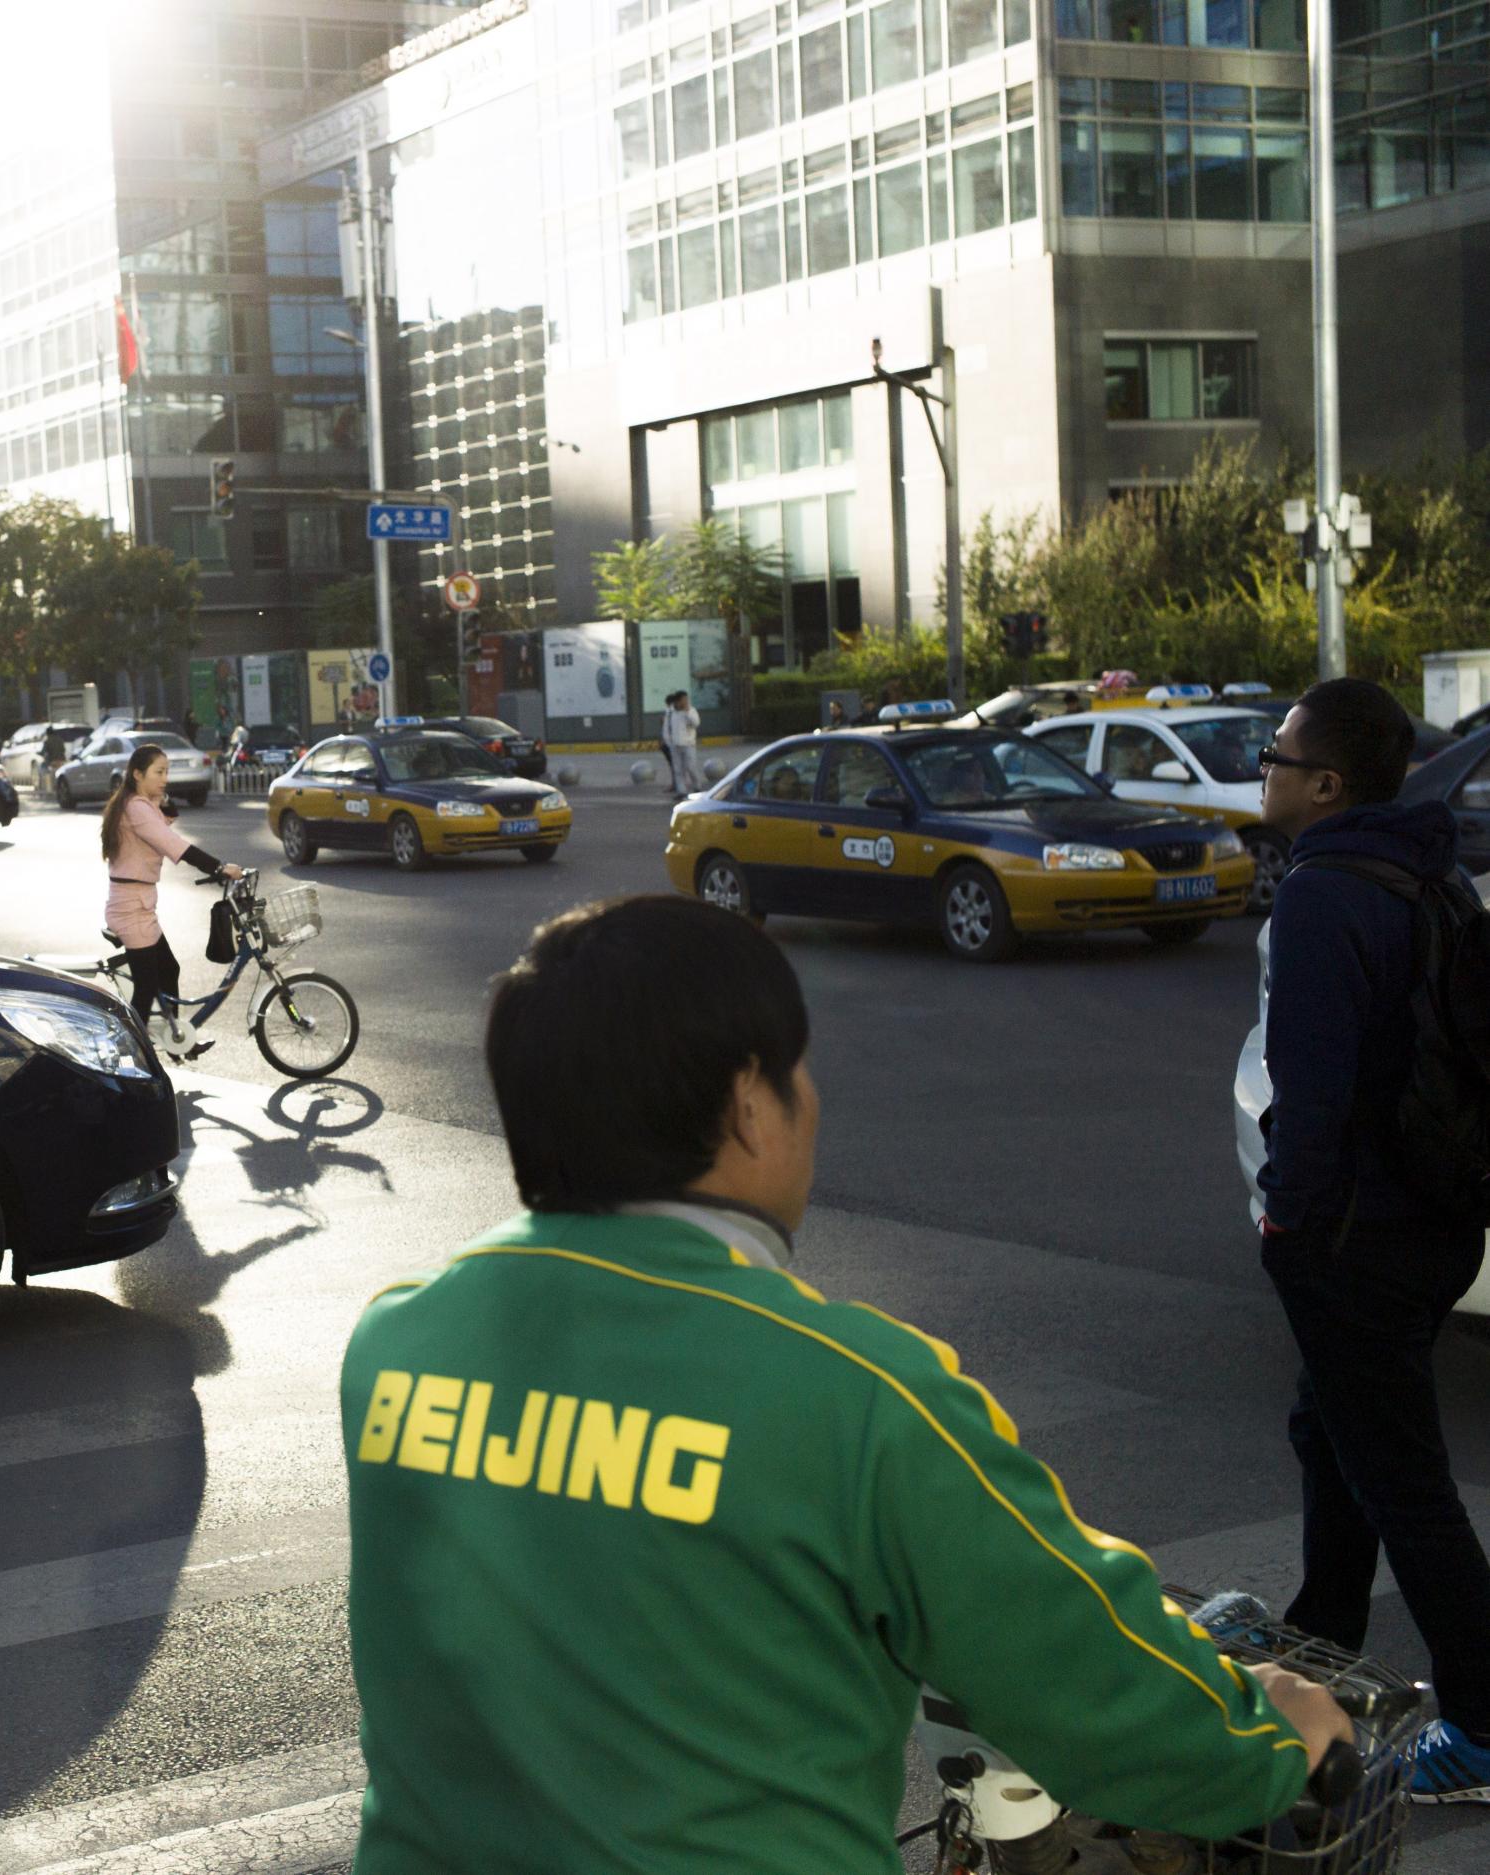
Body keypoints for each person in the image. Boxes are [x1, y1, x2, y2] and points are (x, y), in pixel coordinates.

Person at [341, 894, 1352, 1873]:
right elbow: (1076, 1668)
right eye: (796, 1071)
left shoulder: (395, 1342)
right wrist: (1266, 1743)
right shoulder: (858, 1393)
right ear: (747, 1106)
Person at [1255, 676, 1490, 1801]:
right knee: (1327, 1426)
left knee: (1402, 1483)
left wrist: (1283, 1217)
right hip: (1436, 1217)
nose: (1267, 769)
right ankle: (1322, 1649)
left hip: (1355, 1235)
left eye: (1277, 753)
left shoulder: (1321, 896)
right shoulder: (1427, 870)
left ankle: (1485, 1727)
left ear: (1326, 783)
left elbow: (1313, 1091)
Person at [101, 744, 242, 1061]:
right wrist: (218, 868)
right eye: (159, 772)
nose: (166, 778)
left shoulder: (139, 804)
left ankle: (176, 1039)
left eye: (167, 772)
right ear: (138, 774)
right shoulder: (135, 808)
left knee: (169, 968)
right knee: (146, 987)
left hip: (139, 903)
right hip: (130, 907)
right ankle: (128, 1056)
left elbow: (165, 823)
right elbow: (172, 844)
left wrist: (159, 798)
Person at [661, 689, 702, 795]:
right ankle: (681, 791)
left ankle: (697, 786)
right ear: (677, 701)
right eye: (683, 700)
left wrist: (687, 712)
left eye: (686, 700)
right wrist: (669, 742)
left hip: (688, 744)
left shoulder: (691, 710)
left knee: (691, 767)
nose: (685, 702)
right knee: (678, 769)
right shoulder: (670, 713)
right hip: (675, 745)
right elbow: (666, 728)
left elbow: (696, 723)